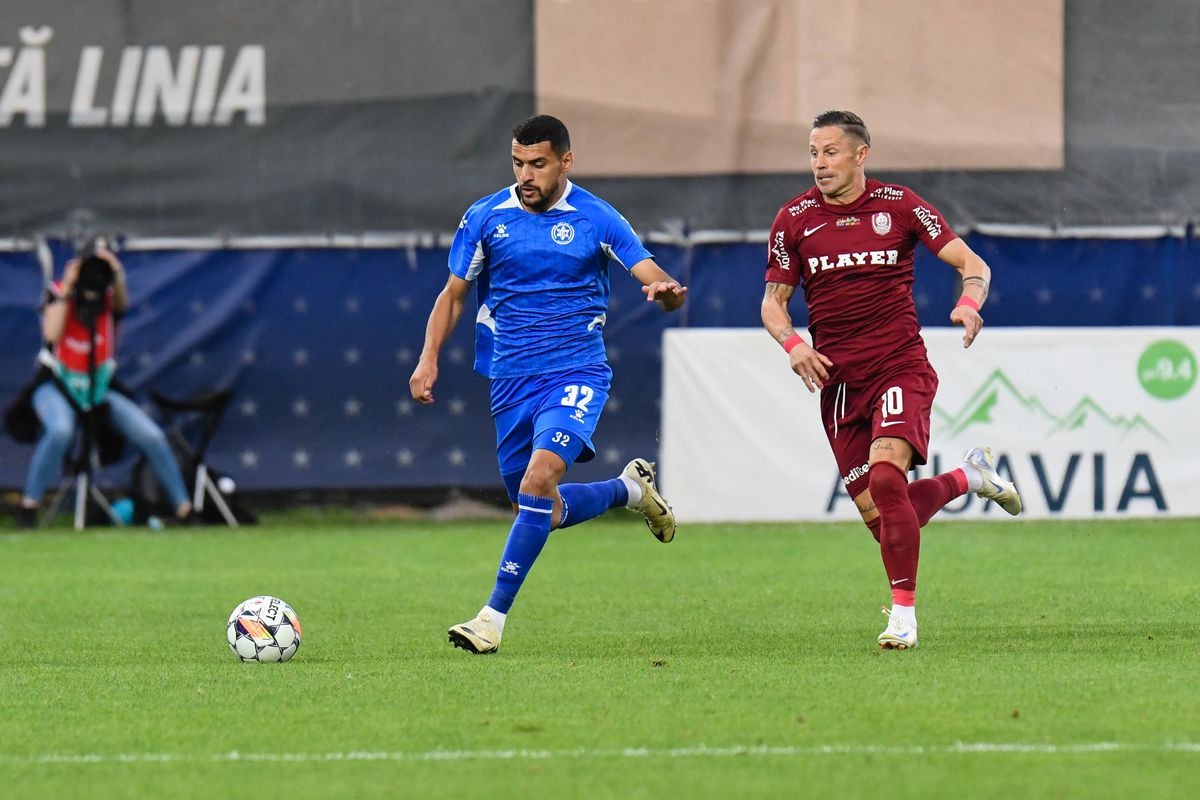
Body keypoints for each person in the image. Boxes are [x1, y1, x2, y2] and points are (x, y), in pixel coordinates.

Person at [409, 114, 687, 654]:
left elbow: (654, 276)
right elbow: (454, 295)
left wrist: (668, 293)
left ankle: (490, 618)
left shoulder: (597, 218)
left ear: (565, 161)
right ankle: (630, 490)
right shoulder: (487, 215)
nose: (526, 175)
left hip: (576, 371)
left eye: (537, 164)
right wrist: (428, 358)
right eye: (517, 163)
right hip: (510, 379)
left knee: (540, 480)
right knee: (541, 508)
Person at [760, 110, 1022, 651]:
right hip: (838, 383)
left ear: (861, 155)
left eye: (830, 152)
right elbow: (772, 303)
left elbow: (971, 261)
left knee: (886, 478)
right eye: (813, 153)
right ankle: (968, 479)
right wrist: (793, 344)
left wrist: (970, 302)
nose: (819, 163)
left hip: (898, 364)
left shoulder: (900, 206)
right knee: (885, 522)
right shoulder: (793, 219)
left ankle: (903, 616)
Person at [12, 239, 193, 527]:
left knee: (153, 437)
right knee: (60, 430)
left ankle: (185, 509)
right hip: (56, 384)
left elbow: (122, 301)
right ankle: (29, 505)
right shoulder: (59, 294)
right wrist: (69, 284)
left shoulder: (107, 301)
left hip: (99, 389)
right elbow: (52, 334)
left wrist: (115, 272)